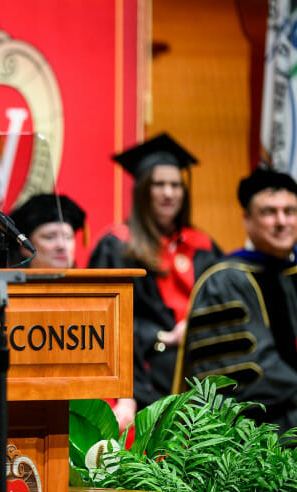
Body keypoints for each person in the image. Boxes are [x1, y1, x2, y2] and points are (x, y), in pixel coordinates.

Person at [88, 133, 221, 431]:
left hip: (202, 369)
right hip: (147, 374)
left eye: (175, 185)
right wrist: (162, 336)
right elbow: (104, 318)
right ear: (142, 190)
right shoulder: (118, 245)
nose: (168, 193)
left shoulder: (202, 245)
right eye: (159, 184)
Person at [174, 167, 297, 433]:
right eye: (269, 212)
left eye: (290, 211)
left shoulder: (292, 273)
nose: (281, 221)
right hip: (254, 436)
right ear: (247, 219)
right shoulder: (225, 281)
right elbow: (243, 376)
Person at [9, 193, 86, 268]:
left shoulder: (91, 281)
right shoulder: (4, 281)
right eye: (50, 237)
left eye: (67, 237)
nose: (62, 246)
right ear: (25, 247)